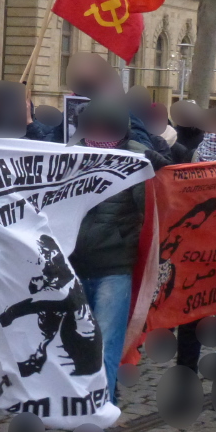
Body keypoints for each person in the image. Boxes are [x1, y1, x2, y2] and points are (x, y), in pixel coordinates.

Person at [68, 100, 156, 400]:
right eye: (95, 126)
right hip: (73, 264)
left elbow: (150, 215)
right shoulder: (68, 155)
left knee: (106, 342)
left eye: (106, 127)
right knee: (79, 343)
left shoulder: (138, 159)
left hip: (115, 265)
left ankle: (99, 413)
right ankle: (91, 402)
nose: (100, 132)